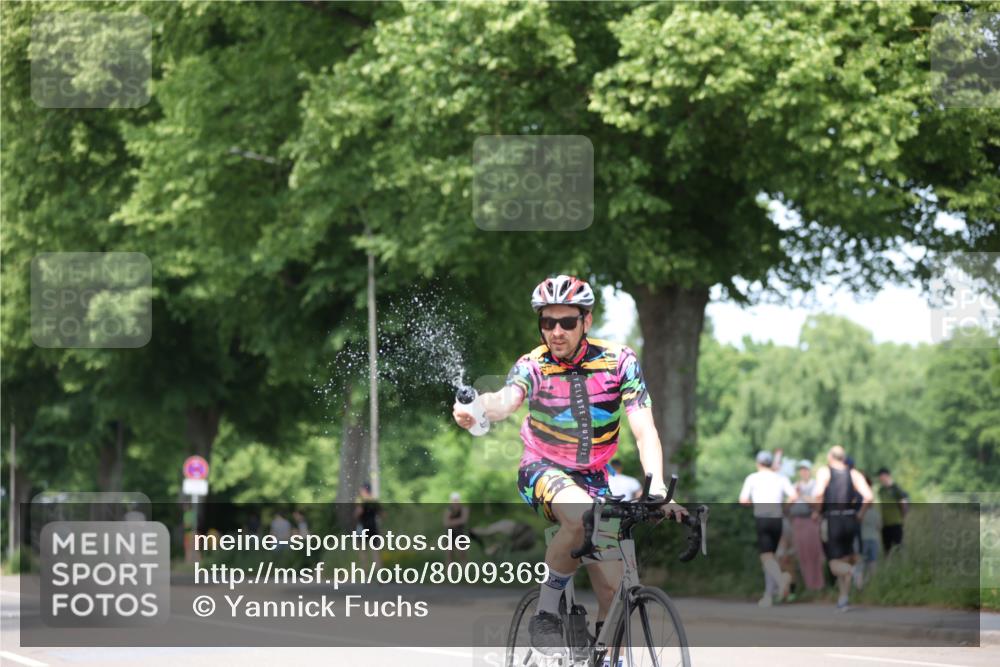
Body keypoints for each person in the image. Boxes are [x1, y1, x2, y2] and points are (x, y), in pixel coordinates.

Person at [453, 275, 686, 654]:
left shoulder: (620, 361)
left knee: (617, 589)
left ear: (586, 322)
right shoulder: (534, 364)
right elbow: (507, 400)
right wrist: (477, 407)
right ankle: (546, 611)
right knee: (580, 516)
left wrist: (657, 488)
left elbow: (644, 429)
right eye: (548, 322)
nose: (556, 332)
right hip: (541, 469)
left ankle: (598, 657)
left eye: (566, 322)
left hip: (595, 480)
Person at [811, 445, 874, 612]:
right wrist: (860, 514)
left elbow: (818, 494)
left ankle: (854, 571)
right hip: (851, 519)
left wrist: (817, 511)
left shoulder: (825, 472)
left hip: (833, 520)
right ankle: (843, 598)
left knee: (834, 564)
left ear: (830, 457)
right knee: (844, 558)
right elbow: (869, 496)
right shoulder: (854, 474)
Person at [739, 450, 798, 606]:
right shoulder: (780, 478)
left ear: (758, 463)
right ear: (771, 463)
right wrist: (784, 508)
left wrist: (753, 503)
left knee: (767, 558)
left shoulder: (752, 478)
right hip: (778, 519)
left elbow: (743, 500)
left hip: (763, 519)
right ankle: (768, 595)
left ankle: (780, 581)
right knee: (771, 559)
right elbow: (793, 496)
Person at [789, 460, 825, 592]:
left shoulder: (815, 485)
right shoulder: (794, 486)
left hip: (810, 521)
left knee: (815, 554)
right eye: (801, 469)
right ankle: (808, 585)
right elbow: (788, 506)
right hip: (797, 522)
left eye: (805, 469)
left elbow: (817, 503)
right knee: (802, 554)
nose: (803, 472)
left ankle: (818, 584)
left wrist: (802, 495)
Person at [856, 473, 882, 588]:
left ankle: (859, 586)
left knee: (860, 564)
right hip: (874, 539)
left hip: (863, 538)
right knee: (873, 563)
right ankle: (874, 585)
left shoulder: (861, 513)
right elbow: (879, 526)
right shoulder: (875, 513)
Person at [876, 466, 909, 554]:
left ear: (886, 475)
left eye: (881, 476)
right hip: (885, 523)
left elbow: (903, 503)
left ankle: (902, 565)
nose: (880, 478)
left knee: (898, 546)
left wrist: (903, 516)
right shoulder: (881, 490)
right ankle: (888, 566)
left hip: (896, 522)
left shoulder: (896, 489)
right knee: (886, 548)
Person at [355, 482, 383, 569]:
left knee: (363, 552)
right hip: (373, 528)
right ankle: (379, 575)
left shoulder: (362, 501)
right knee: (375, 553)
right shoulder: (374, 501)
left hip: (363, 528)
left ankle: (365, 574)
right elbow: (383, 514)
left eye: (361, 490)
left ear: (365, 490)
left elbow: (358, 513)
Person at [443, 492, 470, 565]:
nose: (455, 502)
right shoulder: (449, 510)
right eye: (454, 500)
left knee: (462, 555)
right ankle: (448, 574)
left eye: (456, 500)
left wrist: (451, 522)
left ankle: (464, 573)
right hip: (450, 533)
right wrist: (458, 521)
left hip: (460, 533)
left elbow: (464, 520)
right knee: (449, 556)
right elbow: (445, 523)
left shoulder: (464, 509)